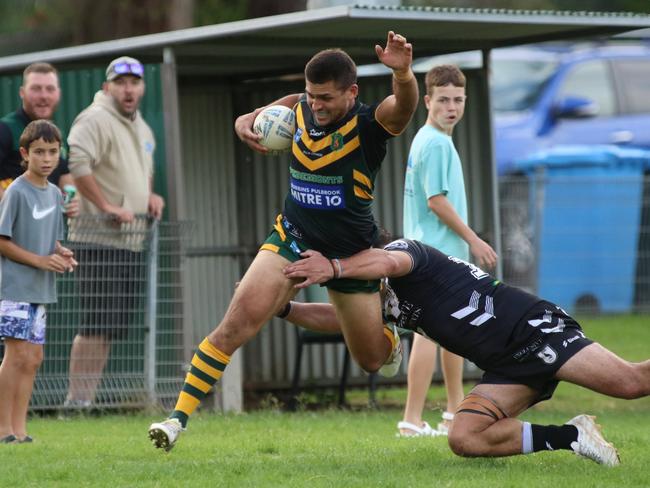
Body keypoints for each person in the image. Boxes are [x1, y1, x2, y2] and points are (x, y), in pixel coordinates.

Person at [148, 31, 419, 451]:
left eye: (326, 97)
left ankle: (387, 325)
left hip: (350, 252)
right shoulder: (299, 107)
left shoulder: (369, 125)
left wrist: (402, 73)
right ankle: (176, 419)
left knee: (370, 359)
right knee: (234, 325)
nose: (315, 104)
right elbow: (267, 112)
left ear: (352, 92)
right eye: (311, 95)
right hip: (291, 236)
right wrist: (244, 121)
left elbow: (403, 107)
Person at [282, 239, 650, 466]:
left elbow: (388, 263)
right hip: (505, 365)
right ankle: (573, 437)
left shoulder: (404, 252)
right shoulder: (379, 302)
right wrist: (283, 309)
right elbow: (340, 320)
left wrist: (333, 268)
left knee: (632, 383)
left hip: (532, 329)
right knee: (464, 437)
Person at [399, 65, 497, 437]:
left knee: (451, 331)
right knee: (427, 334)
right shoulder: (437, 142)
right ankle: (411, 419)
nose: (451, 107)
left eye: (457, 100)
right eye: (443, 100)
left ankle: (455, 411)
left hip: (433, 253)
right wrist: (474, 239)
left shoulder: (429, 138)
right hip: (435, 254)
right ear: (428, 101)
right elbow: (436, 201)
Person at [62, 56, 165, 410]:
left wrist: (149, 195)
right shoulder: (94, 118)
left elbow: (144, 172)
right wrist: (106, 207)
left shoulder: (142, 127)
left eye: (134, 82)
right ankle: (75, 403)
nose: (128, 88)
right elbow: (76, 164)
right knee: (95, 323)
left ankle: (85, 401)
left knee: (110, 325)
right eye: (120, 82)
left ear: (142, 87)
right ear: (108, 87)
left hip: (131, 241)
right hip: (97, 239)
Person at [0, 120, 77, 443]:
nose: (46, 159)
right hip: (15, 288)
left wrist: (62, 255)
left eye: (52, 152)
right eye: (39, 152)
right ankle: (3, 429)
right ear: (24, 153)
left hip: (41, 290)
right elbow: (2, 241)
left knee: (33, 359)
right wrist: (41, 261)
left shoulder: (55, 195)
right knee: (15, 356)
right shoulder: (16, 191)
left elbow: (53, 243)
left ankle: (20, 430)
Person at [0, 62, 79, 217]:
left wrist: (74, 202)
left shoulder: (56, 134)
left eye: (50, 89)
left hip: (49, 235)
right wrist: (12, 210)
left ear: (58, 93)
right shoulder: (5, 129)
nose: (43, 96)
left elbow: (66, 179)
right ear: (22, 92)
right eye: (36, 89)